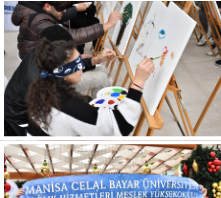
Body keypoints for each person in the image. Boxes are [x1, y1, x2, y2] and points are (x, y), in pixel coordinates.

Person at [26, 38, 154, 136]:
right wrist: (138, 82)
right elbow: (122, 125)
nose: (82, 66)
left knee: (87, 98)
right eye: (78, 63)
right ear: (64, 71)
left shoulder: (45, 81)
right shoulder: (69, 107)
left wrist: (97, 59)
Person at [5, 26, 116, 136]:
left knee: (99, 71)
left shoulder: (41, 52)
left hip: (20, 108)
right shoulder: (43, 81)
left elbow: (69, 67)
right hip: (25, 122)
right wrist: (89, 110)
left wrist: (95, 60)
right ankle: (99, 120)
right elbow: (68, 104)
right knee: (100, 79)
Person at [11, 2, 120, 58]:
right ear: (47, 6)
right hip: (36, 59)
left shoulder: (31, 5)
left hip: (37, 50)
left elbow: (57, 15)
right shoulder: (40, 21)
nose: (64, 11)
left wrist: (76, 8)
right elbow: (73, 36)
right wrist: (107, 25)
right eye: (61, 9)